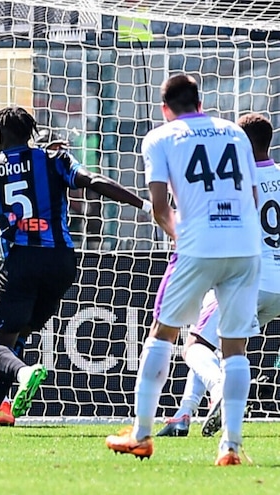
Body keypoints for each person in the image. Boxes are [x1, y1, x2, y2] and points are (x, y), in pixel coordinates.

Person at [105, 75, 260, 466]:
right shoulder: (235, 133)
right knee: (235, 344)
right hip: (245, 244)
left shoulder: (159, 138)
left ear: (165, 108)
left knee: (163, 332)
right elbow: (253, 195)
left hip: (198, 244)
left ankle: (140, 433)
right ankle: (231, 445)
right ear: (200, 102)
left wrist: (179, 236)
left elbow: (159, 206)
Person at [0, 106, 148, 435]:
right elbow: (93, 181)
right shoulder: (53, 159)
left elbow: (8, 197)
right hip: (61, 262)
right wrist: (145, 205)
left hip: (20, 260)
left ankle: (24, 375)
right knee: (19, 335)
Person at [155, 112, 280, 439]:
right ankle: (183, 415)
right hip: (278, 288)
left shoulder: (239, 180)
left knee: (194, 344)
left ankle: (220, 388)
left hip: (249, 277)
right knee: (215, 344)